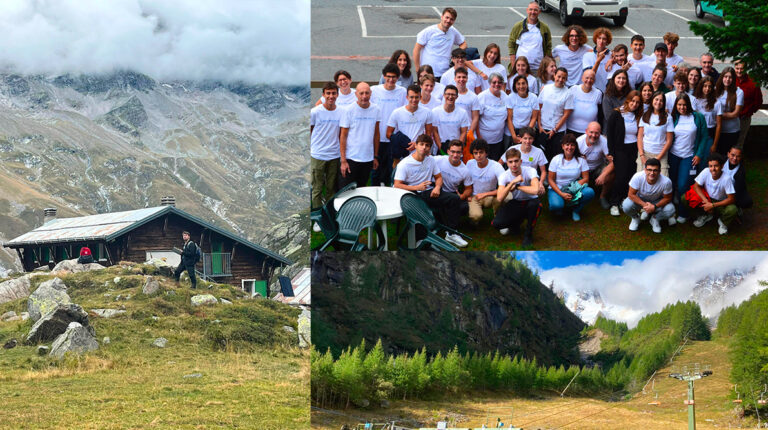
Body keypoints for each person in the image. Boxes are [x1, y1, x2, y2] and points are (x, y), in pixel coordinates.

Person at [394, 134, 468, 247]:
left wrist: (438, 187)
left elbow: (438, 177)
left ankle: (451, 233)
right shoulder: (405, 164)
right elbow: (397, 185)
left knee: (454, 199)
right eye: (421, 144)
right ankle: (419, 239)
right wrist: (416, 187)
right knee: (419, 212)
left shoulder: (431, 160)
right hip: (411, 194)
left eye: (427, 145)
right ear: (416, 145)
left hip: (429, 191)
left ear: (430, 148)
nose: (424, 147)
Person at [668, 93, 710, 218]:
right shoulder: (673, 117)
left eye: (685, 105)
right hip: (673, 155)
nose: (682, 107)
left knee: (683, 185)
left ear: (689, 105)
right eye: (679, 105)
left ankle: (682, 212)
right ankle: (668, 210)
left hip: (689, 156)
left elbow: (704, 137)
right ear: (676, 105)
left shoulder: (697, 117)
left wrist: (699, 154)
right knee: (670, 182)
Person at [493, 147, 542, 247]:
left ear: (521, 161)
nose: (514, 164)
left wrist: (518, 186)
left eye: (516, 161)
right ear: (507, 163)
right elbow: (499, 198)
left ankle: (528, 234)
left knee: (535, 205)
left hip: (531, 201)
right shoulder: (504, 175)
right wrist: (512, 183)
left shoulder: (530, 171)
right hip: (517, 201)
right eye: (510, 162)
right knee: (496, 223)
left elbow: (535, 190)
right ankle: (516, 223)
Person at [605, 90, 643, 216]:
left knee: (630, 177)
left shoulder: (638, 116)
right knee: (620, 176)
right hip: (620, 149)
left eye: (637, 102)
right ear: (628, 100)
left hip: (633, 149)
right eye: (633, 101)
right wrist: (611, 151)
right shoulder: (617, 113)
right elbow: (610, 133)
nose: (635, 104)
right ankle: (614, 203)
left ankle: (623, 200)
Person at [680, 153, 737, 234]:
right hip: (707, 199)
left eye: (716, 166)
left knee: (732, 209)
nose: (713, 169)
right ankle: (703, 215)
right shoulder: (706, 171)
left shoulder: (727, 178)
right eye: (710, 166)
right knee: (685, 198)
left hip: (720, 202)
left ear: (722, 166)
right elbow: (696, 186)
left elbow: (731, 199)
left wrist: (713, 205)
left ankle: (723, 222)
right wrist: (706, 202)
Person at [371, 64, 407, 185]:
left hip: (393, 138)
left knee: (392, 170)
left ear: (398, 78)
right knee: (375, 170)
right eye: (388, 77)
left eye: (394, 77)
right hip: (377, 138)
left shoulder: (402, 92)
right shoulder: (374, 90)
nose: (391, 80)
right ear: (384, 76)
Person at [339, 82, 380, 188]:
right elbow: (343, 136)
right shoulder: (348, 110)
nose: (364, 96)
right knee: (346, 191)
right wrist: (343, 160)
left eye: (367, 93)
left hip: (367, 159)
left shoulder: (376, 110)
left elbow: (376, 134)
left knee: (361, 189)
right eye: (361, 93)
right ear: (356, 94)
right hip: (351, 158)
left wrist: (375, 156)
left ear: (371, 93)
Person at [547, 134, 594, 221]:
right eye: (567, 144)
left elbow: (586, 178)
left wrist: (572, 189)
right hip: (557, 189)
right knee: (556, 206)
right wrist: (562, 194)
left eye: (572, 145)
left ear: (575, 146)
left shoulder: (581, 160)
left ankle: (576, 210)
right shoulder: (556, 159)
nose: (570, 147)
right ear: (562, 146)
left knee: (590, 192)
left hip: (574, 188)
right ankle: (560, 205)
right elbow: (550, 179)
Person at [310, 82, 341, 212]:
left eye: (333, 93)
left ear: (337, 95)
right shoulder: (315, 112)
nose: (331, 96)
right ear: (323, 95)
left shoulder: (341, 112)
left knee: (331, 187)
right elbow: (310, 130)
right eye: (328, 93)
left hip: (334, 155)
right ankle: (318, 216)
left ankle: (329, 213)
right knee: (317, 188)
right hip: (318, 155)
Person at [622, 158, 675, 233]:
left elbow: (668, 198)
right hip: (641, 200)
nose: (652, 173)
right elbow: (631, 194)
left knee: (671, 209)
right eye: (649, 170)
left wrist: (654, 207)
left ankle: (655, 219)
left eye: (655, 170)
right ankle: (635, 218)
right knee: (626, 205)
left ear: (660, 171)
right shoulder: (637, 177)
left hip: (656, 201)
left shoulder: (666, 181)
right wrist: (645, 206)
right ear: (645, 170)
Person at [413, 7, 467, 80]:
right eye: (447, 17)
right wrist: (418, 70)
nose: (448, 21)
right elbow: (416, 50)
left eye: (451, 19)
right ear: (442, 17)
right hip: (428, 74)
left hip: (444, 73)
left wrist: (456, 54)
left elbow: (463, 44)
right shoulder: (429, 31)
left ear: (454, 21)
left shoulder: (453, 31)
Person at [387, 84, 433, 162]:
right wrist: (402, 142)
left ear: (420, 97)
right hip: (402, 152)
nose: (414, 100)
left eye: (416, 97)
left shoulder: (427, 112)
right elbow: (388, 134)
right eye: (411, 97)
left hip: (419, 151)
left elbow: (428, 134)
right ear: (407, 97)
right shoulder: (397, 112)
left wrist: (417, 144)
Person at [466, 139, 504, 225]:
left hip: (490, 196)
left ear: (486, 153)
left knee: (507, 196)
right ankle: (474, 217)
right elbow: (465, 181)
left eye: (481, 152)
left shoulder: (496, 166)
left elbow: (504, 187)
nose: (478, 155)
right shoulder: (469, 164)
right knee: (475, 217)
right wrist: (467, 194)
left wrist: (485, 194)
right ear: (473, 154)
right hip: (474, 197)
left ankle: (499, 219)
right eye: (475, 153)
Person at [577, 122, 614, 210]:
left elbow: (613, 161)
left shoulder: (604, 141)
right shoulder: (578, 142)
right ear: (586, 131)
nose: (594, 135)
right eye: (591, 132)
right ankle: (577, 195)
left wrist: (603, 174)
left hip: (597, 167)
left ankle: (602, 197)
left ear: (600, 133)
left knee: (611, 173)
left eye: (597, 133)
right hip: (582, 169)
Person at [507, 2, 552, 74]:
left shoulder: (545, 28)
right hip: (520, 69)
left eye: (535, 10)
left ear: (539, 12)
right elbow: (511, 45)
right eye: (531, 9)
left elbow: (548, 48)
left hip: (538, 70)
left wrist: (544, 67)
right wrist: (514, 67)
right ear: (527, 10)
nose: (533, 12)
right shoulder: (518, 26)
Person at [433, 139, 474, 217]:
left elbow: (469, 189)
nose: (455, 155)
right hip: (437, 191)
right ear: (448, 151)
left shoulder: (465, 170)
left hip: (452, 194)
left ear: (462, 153)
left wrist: (462, 196)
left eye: (458, 152)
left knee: (464, 207)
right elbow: (425, 159)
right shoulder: (438, 159)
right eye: (453, 151)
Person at [537, 67, 571, 160]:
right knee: (542, 157)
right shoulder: (546, 89)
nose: (560, 80)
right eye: (559, 76)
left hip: (558, 132)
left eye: (563, 78)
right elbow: (539, 109)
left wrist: (555, 130)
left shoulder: (568, 93)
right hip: (543, 129)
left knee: (555, 158)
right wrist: (539, 126)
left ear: (566, 79)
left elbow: (566, 115)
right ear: (554, 75)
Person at [502, 127, 547, 196]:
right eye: (525, 138)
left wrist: (540, 183)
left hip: (530, 179)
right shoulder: (512, 149)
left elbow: (543, 171)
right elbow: (500, 163)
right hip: (514, 178)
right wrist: (503, 178)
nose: (528, 141)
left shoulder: (538, 152)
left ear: (533, 139)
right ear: (520, 138)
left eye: (530, 138)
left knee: (541, 190)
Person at [637, 91, 673, 175]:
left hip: (661, 154)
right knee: (641, 179)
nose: (658, 102)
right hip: (645, 153)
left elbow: (669, 141)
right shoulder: (645, 115)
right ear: (652, 100)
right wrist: (642, 155)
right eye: (656, 99)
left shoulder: (668, 117)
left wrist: (658, 158)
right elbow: (639, 137)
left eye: (661, 100)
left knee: (663, 179)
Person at [476, 73, 509, 161]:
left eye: (499, 82)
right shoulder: (482, 97)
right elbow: (475, 119)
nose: (497, 84)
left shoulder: (505, 97)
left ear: (502, 84)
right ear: (489, 83)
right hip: (484, 139)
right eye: (494, 82)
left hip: (499, 139)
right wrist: (479, 138)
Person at [733, 59, 763, 150]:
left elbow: (758, 101)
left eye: (741, 68)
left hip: (744, 118)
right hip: (730, 117)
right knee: (728, 140)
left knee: (739, 142)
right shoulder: (730, 79)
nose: (739, 71)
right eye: (737, 68)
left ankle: (737, 163)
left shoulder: (753, 82)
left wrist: (749, 111)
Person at [714, 67, 744, 155]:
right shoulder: (715, 90)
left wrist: (718, 116)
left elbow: (735, 114)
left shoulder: (739, 92)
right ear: (722, 77)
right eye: (725, 76)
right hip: (717, 130)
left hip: (732, 131)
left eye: (730, 77)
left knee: (728, 155)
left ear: (733, 79)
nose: (727, 79)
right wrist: (725, 115)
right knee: (716, 155)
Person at [432, 85, 470, 152]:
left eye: (453, 94)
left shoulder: (462, 113)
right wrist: (440, 147)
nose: (450, 97)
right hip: (440, 148)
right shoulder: (435, 112)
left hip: (456, 150)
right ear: (444, 95)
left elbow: (464, 132)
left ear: (457, 96)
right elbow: (434, 131)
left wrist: (457, 149)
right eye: (448, 94)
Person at [565, 69, 602, 138]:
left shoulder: (598, 93)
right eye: (587, 78)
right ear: (582, 78)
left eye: (591, 78)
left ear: (594, 80)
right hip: (570, 131)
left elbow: (601, 113)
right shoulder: (573, 89)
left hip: (589, 133)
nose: (589, 80)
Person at [692, 76, 722, 159]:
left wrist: (715, 144)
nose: (707, 89)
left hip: (710, 133)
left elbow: (719, 125)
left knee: (705, 158)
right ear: (701, 86)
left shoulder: (717, 103)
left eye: (710, 86)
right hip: (697, 132)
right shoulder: (695, 100)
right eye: (705, 86)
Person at [506, 76, 540, 146]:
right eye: (518, 84)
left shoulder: (533, 97)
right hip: (515, 132)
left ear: (527, 85)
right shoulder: (511, 97)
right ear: (515, 86)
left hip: (528, 130)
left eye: (523, 83)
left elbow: (534, 118)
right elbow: (509, 119)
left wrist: (526, 135)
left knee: (529, 155)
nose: (521, 86)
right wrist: (514, 136)